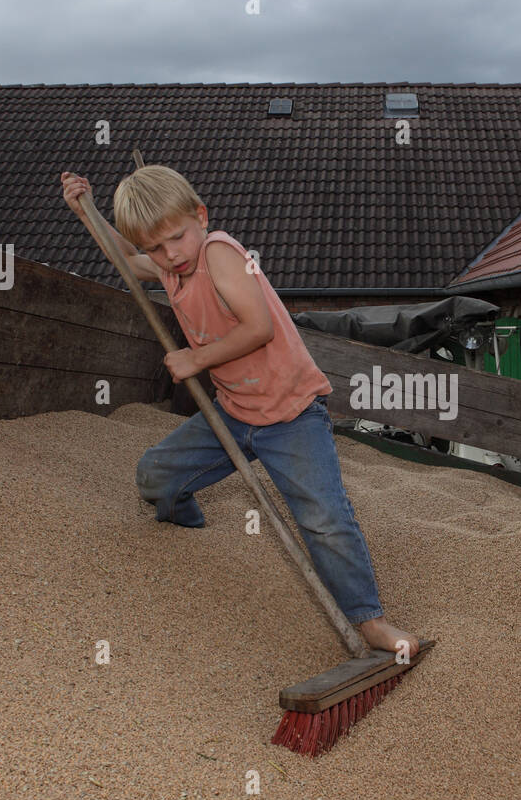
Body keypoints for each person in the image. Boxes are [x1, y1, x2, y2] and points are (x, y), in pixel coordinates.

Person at [60, 167, 419, 657]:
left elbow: (259, 328)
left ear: (201, 217)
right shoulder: (170, 263)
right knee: (154, 477)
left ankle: (370, 621)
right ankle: (184, 517)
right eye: (157, 248)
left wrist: (195, 359)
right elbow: (125, 260)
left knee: (323, 519)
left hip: (291, 415)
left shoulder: (219, 253)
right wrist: (88, 212)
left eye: (177, 238)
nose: (171, 254)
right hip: (233, 414)